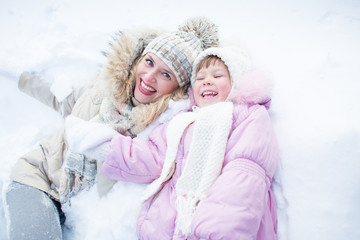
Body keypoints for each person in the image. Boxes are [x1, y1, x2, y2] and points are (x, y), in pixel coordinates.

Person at [4, 17, 219, 239]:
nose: (149, 77)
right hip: (38, 178)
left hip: (80, 213)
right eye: (149, 62)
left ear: (178, 87)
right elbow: (63, 101)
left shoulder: (162, 130)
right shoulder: (104, 87)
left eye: (166, 74)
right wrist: (16, 75)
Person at [65, 46, 279, 239]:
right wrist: (102, 144)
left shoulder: (248, 116)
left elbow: (244, 176)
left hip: (216, 230)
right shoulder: (182, 122)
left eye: (218, 75)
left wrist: (215, 231)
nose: (206, 81)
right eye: (200, 77)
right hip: (166, 229)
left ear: (237, 83)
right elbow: (151, 156)